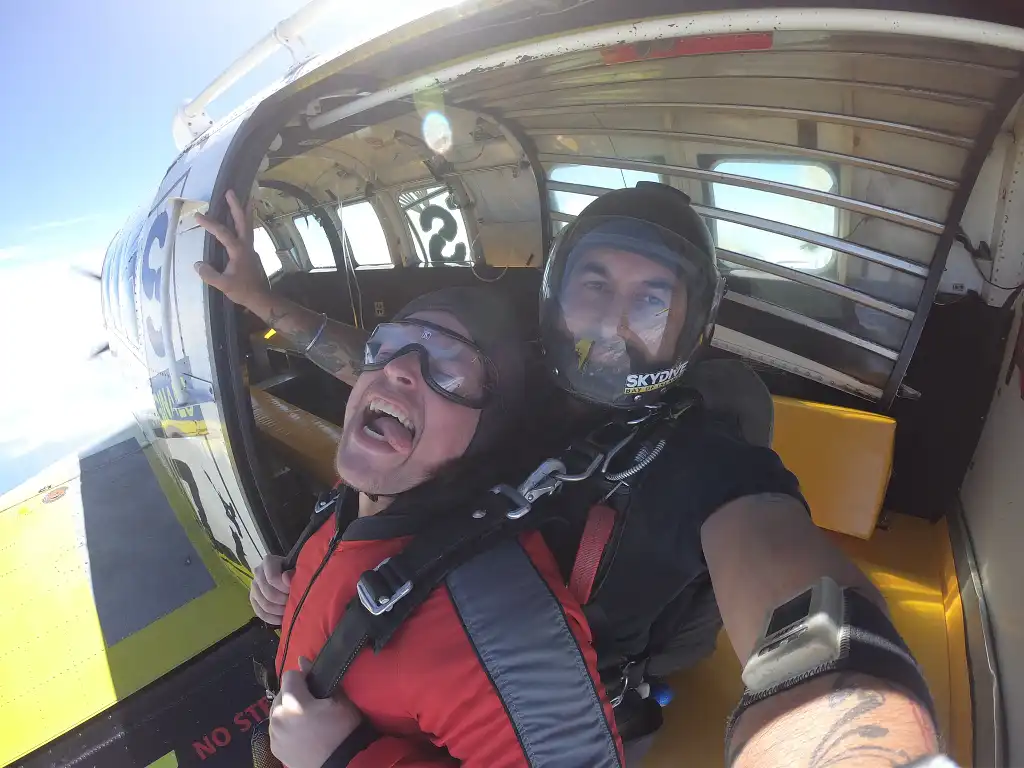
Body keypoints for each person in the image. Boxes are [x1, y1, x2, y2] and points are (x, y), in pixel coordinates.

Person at [198, 186, 945, 767]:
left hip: (567, 718)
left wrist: (850, 721)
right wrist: (261, 302)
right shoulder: (513, 381)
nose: (610, 324)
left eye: (651, 299)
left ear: (689, 331)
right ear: (556, 292)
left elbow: (796, 594)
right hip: (425, 659)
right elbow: (399, 362)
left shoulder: (703, 460)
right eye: (594, 284)